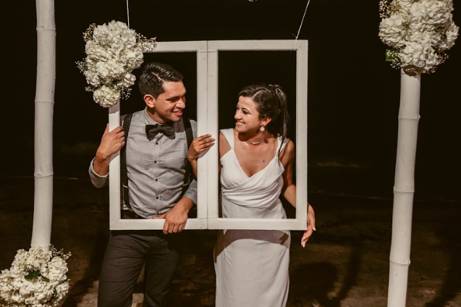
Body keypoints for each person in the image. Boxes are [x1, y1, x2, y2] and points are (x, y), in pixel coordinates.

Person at [188, 83, 316, 307]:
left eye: (245, 111)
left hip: (272, 240)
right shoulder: (222, 141)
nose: (236, 116)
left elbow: (287, 186)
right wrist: (192, 158)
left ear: (265, 119)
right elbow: (208, 186)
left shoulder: (285, 147)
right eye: (237, 109)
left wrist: (306, 208)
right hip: (234, 240)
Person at [89, 62, 197, 307]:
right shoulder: (121, 126)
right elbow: (96, 182)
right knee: (111, 301)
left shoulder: (194, 129)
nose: (182, 104)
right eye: (173, 99)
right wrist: (101, 156)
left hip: (172, 234)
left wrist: (184, 205)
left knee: (158, 301)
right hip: (128, 230)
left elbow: (207, 177)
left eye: (184, 96)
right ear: (149, 100)